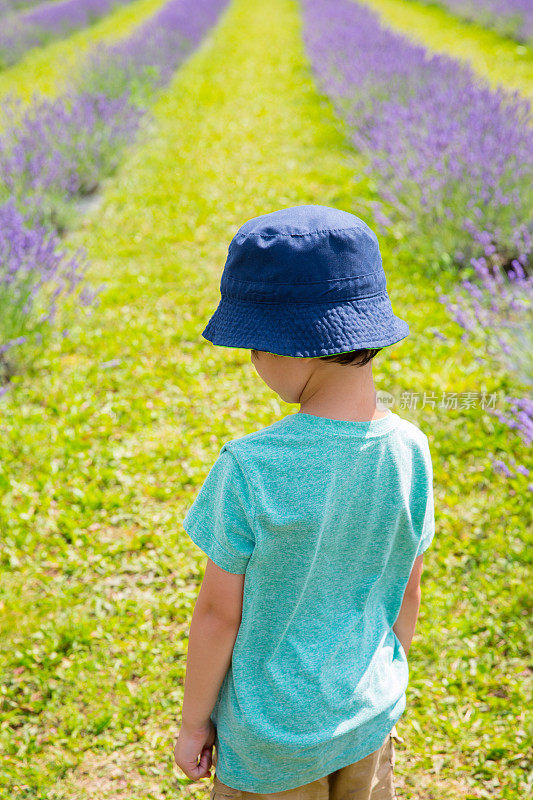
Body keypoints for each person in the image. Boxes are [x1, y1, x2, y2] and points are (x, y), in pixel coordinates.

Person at [173, 205, 435, 799]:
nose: (254, 363)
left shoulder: (251, 466)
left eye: (254, 347)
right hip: (368, 717)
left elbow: (219, 613)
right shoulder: (411, 450)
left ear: (294, 347)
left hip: (273, 739)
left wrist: (194, 726)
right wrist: (379, 680)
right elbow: (408, 590)